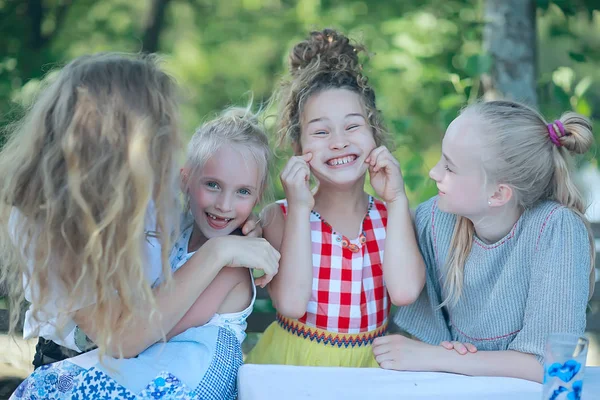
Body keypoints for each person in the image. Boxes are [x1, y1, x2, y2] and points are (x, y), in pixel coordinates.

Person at [0, 53, 278, 399]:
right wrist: (220, 250)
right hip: (82, 368)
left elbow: (199, 222)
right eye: (157, 130)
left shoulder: (145, 192)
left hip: (143, 370)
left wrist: (246, 228)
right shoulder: (43, 219)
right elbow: (124, 337)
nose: (166, 143)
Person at [375, 100, 595, 383]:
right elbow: (403, 290)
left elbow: (552, 364)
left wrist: (439, 357)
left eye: (450, 168)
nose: (434, 172)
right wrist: (396, 200)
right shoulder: (437, 218)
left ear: (498, 194)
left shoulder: (556, 229)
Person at [246, 29, 425, 367]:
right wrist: (300, 208)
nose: (339, 142)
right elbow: (291, 303)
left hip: (369, 371)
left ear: (375, 134)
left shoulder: (393, 217)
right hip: (295, 367)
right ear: (299, 148)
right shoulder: (280, 215)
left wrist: (399, 200)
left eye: (353, 126)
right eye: (321, 131)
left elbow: (404, 292)